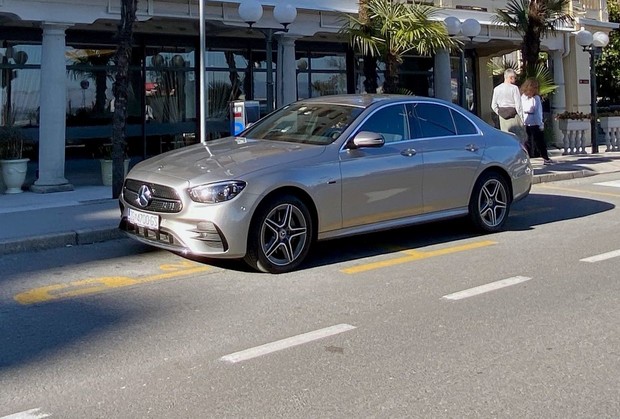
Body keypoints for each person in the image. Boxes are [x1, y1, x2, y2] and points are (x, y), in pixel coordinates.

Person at [521, 77, 553, 165]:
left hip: (529, 121)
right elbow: (536, 111)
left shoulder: (528, 97)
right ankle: (544, 158)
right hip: (531, 122)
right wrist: (540, 124)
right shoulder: (532, 98)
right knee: (536, 141)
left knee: (533, 141)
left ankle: (543, 157)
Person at [491, 68, 526, 143]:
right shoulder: (514, 88)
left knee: (506, 138)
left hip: (502, 117)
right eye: (514, 78)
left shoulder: (497, 89)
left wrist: (500, 113)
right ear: (511, 78)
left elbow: (493, 105)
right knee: (517, 138)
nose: (515, 80)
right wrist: (522, 119)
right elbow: (518, 105)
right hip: (514, 116)